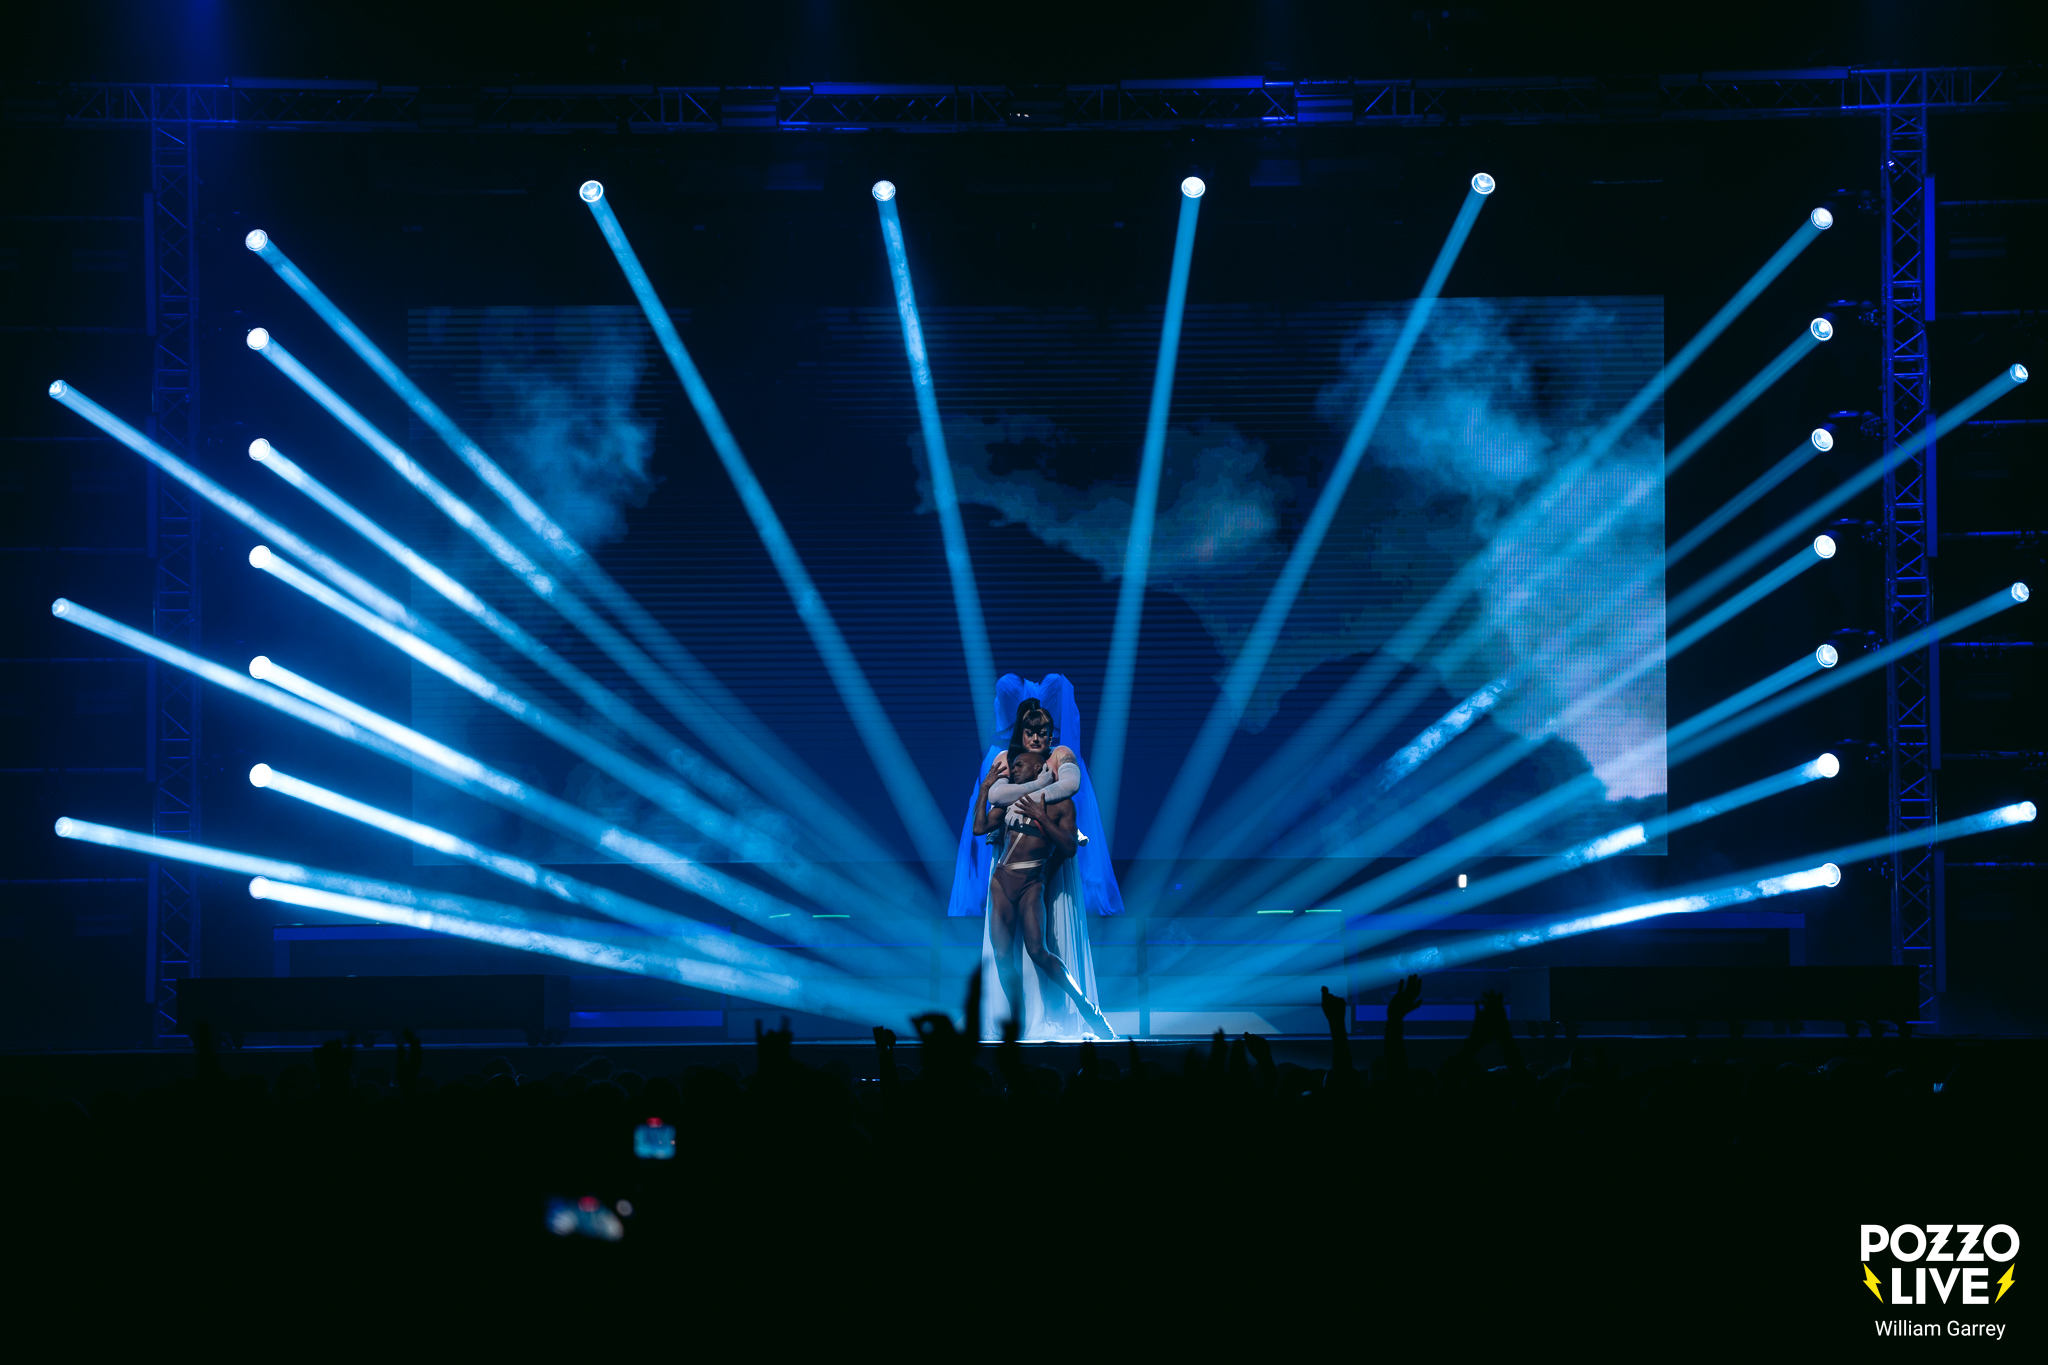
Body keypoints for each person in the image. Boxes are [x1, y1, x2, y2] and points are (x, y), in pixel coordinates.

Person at [947, 676, 1122, 1039]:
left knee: (1040, 951)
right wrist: (986, 789)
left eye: (1043, 733)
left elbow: (1068, 840)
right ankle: (1017, 1023)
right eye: (1030, 733)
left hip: (1032, 883)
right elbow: (981, 824)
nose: (1037, 739)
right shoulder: (1009, 788)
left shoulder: (1060, 793)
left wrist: (1041, 809)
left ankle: (1089, 1011)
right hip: (1003, 880)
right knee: (1002, 957)